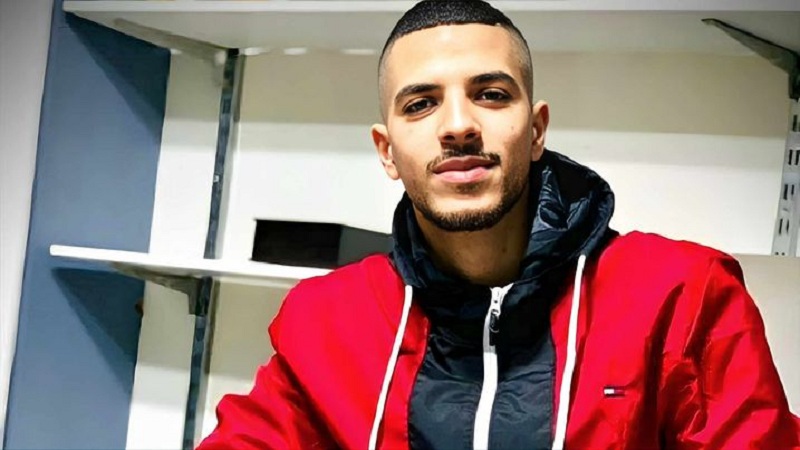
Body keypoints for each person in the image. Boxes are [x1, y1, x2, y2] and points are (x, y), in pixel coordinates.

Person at [198, 1, 800, 449]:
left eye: (489, 94)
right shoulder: (324, 321)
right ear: (387, 151)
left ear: (536, 130)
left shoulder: (682, 295)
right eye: (420, 104)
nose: (458, 126)